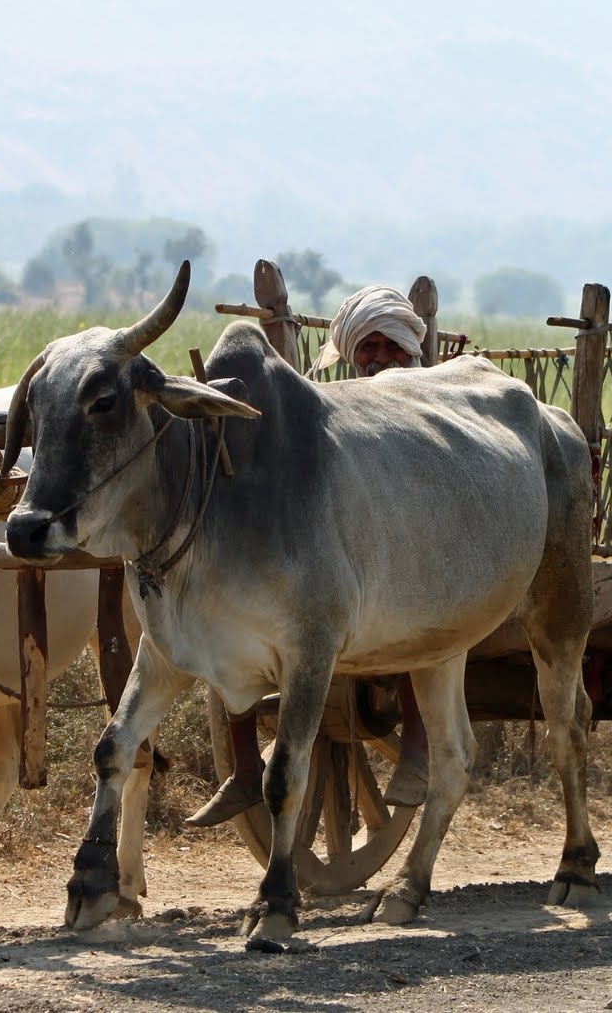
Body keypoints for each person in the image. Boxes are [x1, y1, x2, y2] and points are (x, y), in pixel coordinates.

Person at [186, 285, 432, 828]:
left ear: (412, 351)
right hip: (326, 542)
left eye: (391, 348)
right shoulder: (323, 407)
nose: (380, 360)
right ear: (348, 352)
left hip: (400, 546)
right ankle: (245, 769)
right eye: (368, 348)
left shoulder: (424, 401)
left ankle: (419, 744)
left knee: (418, 603)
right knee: (233, 630)